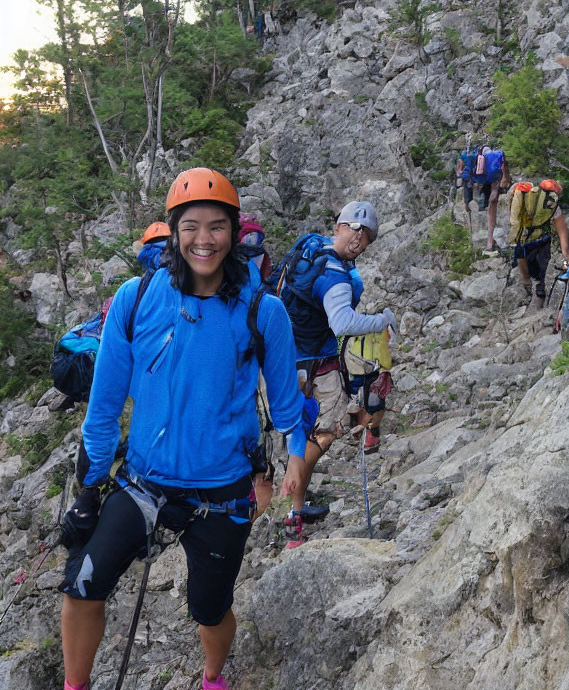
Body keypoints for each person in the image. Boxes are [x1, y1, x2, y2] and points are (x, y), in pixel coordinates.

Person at [58, 168, 313, 690]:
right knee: (82, 586)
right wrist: (88, 489)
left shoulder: (263, 311)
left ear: (234, 232)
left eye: (217, 226)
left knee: (210, 610)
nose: (204, 240)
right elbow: (104, 408)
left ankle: (213, 678)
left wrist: (294, 457)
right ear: (173, 231)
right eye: (191, 226)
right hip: (143, 481)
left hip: (220, 489)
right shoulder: (135, 298)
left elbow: (287, 402)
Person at [279, 200, 396, 547]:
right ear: (341, 227)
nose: (359, 239)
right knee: (323, 434)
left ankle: (297, 510)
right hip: (316, 363)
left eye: (366, 236)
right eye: (356, 231)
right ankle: (291, 509)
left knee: (300, 434)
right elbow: (342, 322)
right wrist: (382, 320)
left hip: (285, 360)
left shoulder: (311, 249)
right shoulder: (335, 275)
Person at [508, 179, 569, 308]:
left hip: (523, 238)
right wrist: (566, 254)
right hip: (541, 239)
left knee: (523, 259)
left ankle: (530, 286)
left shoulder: (524, 199)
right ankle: (536, 288)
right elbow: (562, 231)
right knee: (540, 265)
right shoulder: (552, 205)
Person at [343, 330, 394, 453]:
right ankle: (363, 430)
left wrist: (384, 368)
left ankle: (371, 432)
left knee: (374, 401)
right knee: (358, 399)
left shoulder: (377, 320)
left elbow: (384, 342)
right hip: (354, 365)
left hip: (371, 366)